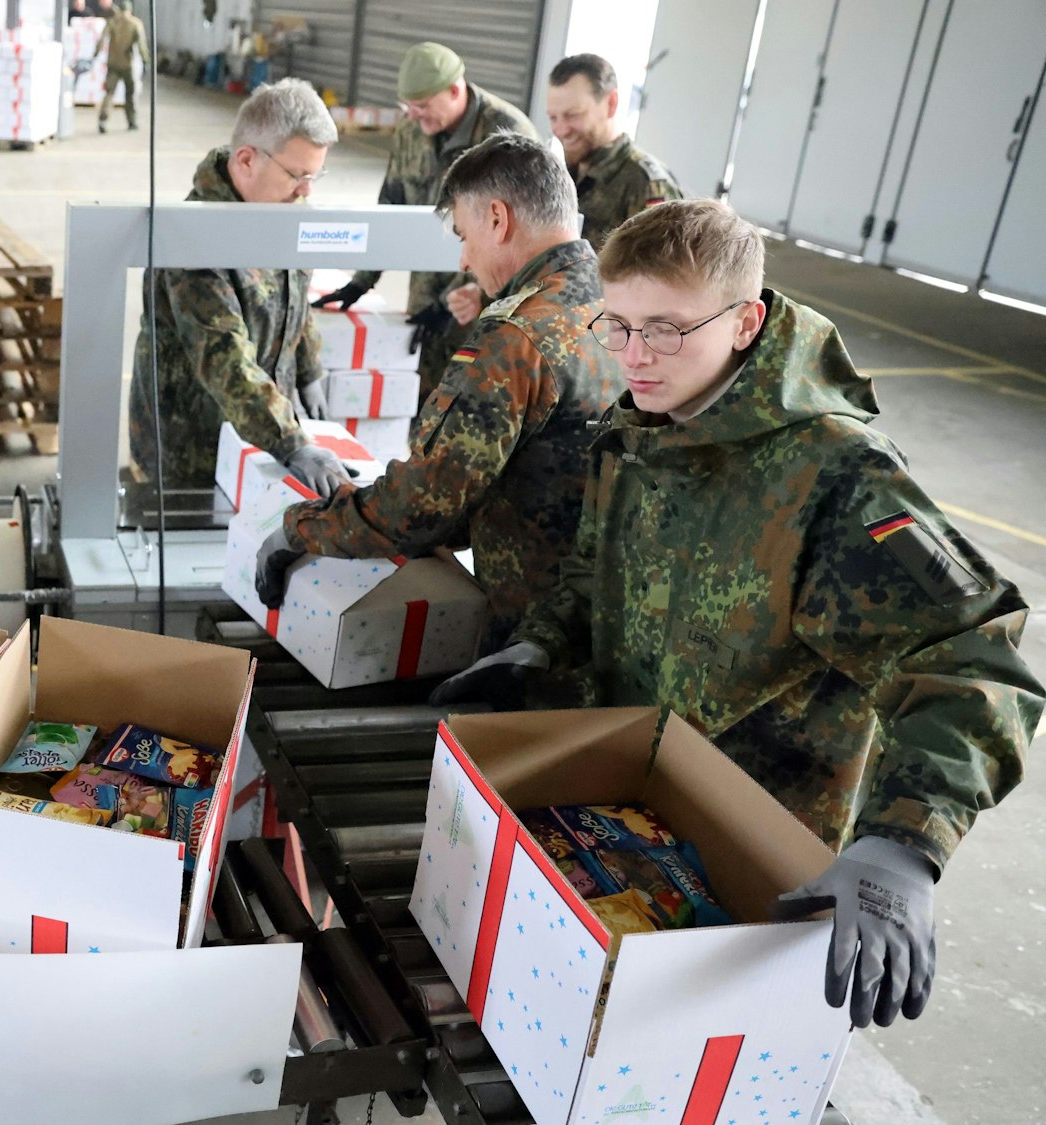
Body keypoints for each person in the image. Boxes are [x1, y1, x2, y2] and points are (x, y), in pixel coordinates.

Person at [434, 199, 1040, 1030]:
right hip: (639, 819)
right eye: (618, 326)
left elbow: (976, 661)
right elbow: (592, 570)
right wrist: (541, 644)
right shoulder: (641, 431)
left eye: (666, 329)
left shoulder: (836, 477)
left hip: (759, 850)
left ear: (746, 322)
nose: (634, 356)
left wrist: (902, 845)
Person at [255, 134, 617, 652]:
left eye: (464, 236)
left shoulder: (515, 339)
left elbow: (421, 506)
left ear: (498, 219)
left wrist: (298, 530)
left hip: (533, 636)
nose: (464, 261)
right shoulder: (619, 302)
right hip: (603, 618)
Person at [129, 78, 345, 497]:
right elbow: (224, 357)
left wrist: (309, 370)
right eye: (297, 175)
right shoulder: (195, 240)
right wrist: (292, 442)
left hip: (261, 431)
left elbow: (296, 295)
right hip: (192, 447)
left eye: (314, 176)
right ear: (246, 160)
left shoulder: (280, 207)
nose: (306, 190)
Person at [313, 42, 534, 404]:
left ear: (454, 90)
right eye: (408, 107)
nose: (414, 116)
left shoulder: (507, 134)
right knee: (417, 395)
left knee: (472, 399)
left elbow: (517, 235)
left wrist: (454, 301)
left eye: (423, 106)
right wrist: (362, 280)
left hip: (480, 298)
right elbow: (390, 207)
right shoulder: (410, 132)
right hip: (424, 295)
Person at [546, 53, 682, 250]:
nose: (561, 130)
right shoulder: (560, 173)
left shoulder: (646, 183)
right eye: (553, 118)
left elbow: (662, 265)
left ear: (611, 104)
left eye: (573, 115)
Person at [92, 0, 150, 134]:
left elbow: (102, 39)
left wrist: (95, 54)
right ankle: (132, 121)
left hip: (113, 63)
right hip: (127, 64)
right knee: (130, 93)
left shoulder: (112, 22)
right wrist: (145, 61)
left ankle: (103, 120)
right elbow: (141, 45)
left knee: (109, 92)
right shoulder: (136, 23)